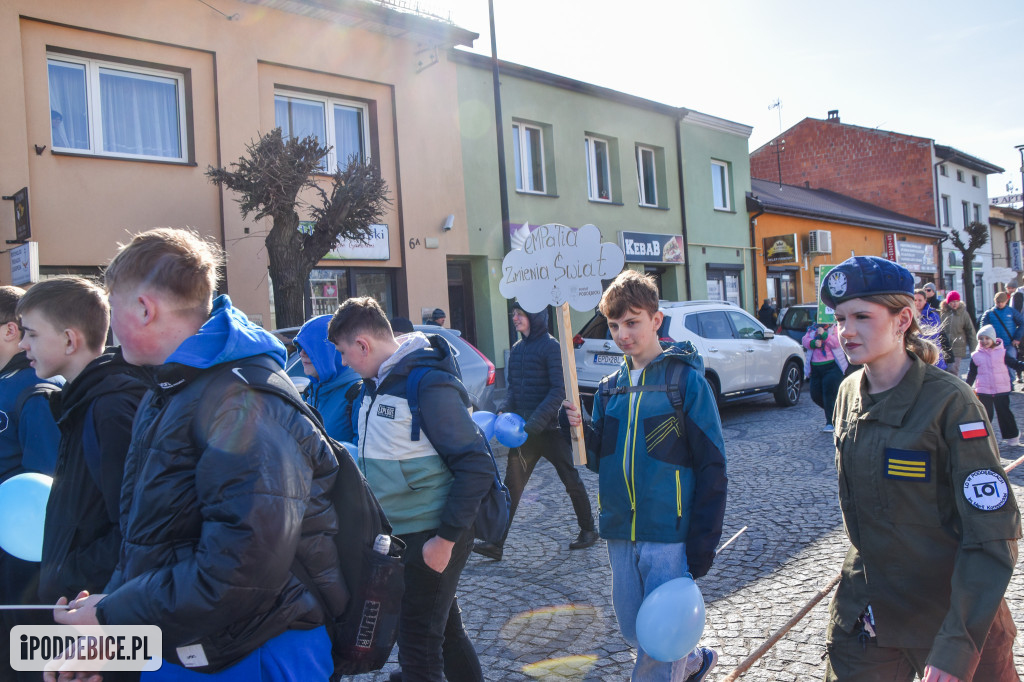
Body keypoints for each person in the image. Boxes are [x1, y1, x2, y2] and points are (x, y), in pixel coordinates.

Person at [55, 228, 342, 681]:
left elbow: (238, 573)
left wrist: (112, 617)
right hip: (195, 647)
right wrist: (111, 623)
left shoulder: (241, 399)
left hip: (252, 654)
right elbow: (152, 542)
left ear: (145, 309)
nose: (109, 326)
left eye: (114, 308)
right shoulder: (173, 387)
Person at [822, 256, 1021, 682]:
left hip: (951, 615)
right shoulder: (847, 393)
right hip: (870, 615)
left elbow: (992, 535)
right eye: (839, 318)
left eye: (861, 316)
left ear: (902, 319)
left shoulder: (951, 402)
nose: (846, 331)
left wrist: (956, 648)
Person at [561, 270, 726, 682]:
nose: (622, 334)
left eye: (632, 322)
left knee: (657, 640)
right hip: (620, 529)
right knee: (636, 628)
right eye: (614, 325)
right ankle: (688, 663)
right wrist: (581, 432)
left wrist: (702, 541)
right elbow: (600, 461)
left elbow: (713, 466)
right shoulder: (608, 389)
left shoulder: (685, 382)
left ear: (656, 320)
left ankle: (669, 666)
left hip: (668, 533)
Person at [328, 297, 494, 682]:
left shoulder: (427, 383)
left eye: (344, 351)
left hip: (431, 536)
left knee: (418, 646)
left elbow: (476, 464)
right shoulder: (376, 383)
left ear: (364, 345)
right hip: (404, 535)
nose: (344, 362)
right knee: (445, 634)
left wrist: (445, 541)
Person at [16, 278, 145, 609]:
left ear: (69, 339)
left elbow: (134, 528)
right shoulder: (85, 401)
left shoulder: (111, 409)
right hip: (84, 604)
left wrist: (69, 575)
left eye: (31, 334)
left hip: (98, 609)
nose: (22, 345)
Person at [473, 302, 596, 561]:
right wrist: (504, 411)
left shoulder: (551, 347)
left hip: (550, 431)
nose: (515, 318)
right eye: (514, 314)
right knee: (511, 488)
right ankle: (496, 543)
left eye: (520, 314)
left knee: (570, 480)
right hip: (523, 433)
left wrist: (538, 421)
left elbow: (557, 390)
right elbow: (514, 390)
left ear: (534, 316)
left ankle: (588, 530)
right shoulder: (517, 350)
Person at [0, 286, 61, 682]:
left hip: (26, 565)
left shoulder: (35, 391)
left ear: (9, 331)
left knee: (23, 663)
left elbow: (48, 483)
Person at [294, 314, 362, 444]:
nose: (301, 353)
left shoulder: (357, 394)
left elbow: (362, 458)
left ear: (330, 350)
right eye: (300, 347)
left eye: (310, 347)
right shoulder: (309, 393)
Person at [966, 325, 1024, 447]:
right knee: (985, 415)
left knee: (1004, 413)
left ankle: (1012, 436)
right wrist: (965, 387)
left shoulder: (1002, 353)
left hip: (1001, 389)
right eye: (981, 338)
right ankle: (984, 439)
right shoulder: (976, 355)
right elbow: (971, 374)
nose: (984, 341)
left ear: (993, 339)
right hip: (983, 390)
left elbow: (1015, 364)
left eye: (987, 338)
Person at [801, 322, 847, 432]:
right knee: (815, 394)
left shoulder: (834, 328)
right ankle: (835, 412)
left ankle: (830, 422)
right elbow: (804, 340)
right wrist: (812, 343)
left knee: (829, 394)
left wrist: (825, 335)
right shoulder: (812, 329)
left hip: (831, 367)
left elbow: (837, 342)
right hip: (815, 369)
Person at [979, 291, 1024, 383]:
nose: (999, 304)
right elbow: (983, 329)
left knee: (1011, 364)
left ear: (1006, 301)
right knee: (996, 366)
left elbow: (1022, 323)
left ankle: (1010, 383)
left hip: (1009, 343)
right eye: (997, 302)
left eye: (1001, 302)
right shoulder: (989, 313)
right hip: (994, 345)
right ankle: (999, 383)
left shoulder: (1012, 312)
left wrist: (1017, 338)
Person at [939, 291, 975, 377]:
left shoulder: (963, 314)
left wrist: (973, 349)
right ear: (948, 302)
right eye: (952, 302)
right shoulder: (942, 313)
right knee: (944, 371)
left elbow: (971, 331)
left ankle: (953, 389)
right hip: (944, 347)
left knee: (953, 370)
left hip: (958, 346)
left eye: (956, 301)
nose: (954, 304)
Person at [912, 288, 948, 370]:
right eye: (915, 300)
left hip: (932, 356)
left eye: (920, 300)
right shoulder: (909, 315)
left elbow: (931, 335)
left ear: (925, 300)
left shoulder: (932, 315)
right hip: (917, 357)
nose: (917, 303)